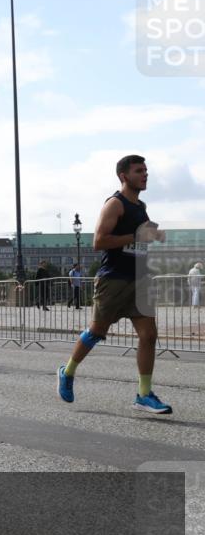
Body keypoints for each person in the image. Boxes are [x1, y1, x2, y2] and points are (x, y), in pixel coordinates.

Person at [58, 154, 172, 415]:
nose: (145, 174)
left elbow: (138, 241)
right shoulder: (114, 204)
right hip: (114, 279)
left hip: (139, 279)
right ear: (124, 176)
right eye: (139, 171)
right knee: (96, 332)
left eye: (146, 170)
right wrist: (137, 236)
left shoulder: (141, 207)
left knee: (149, 335)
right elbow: (99, 241)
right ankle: (67, 371)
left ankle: (144, 395)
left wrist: (154, 237)